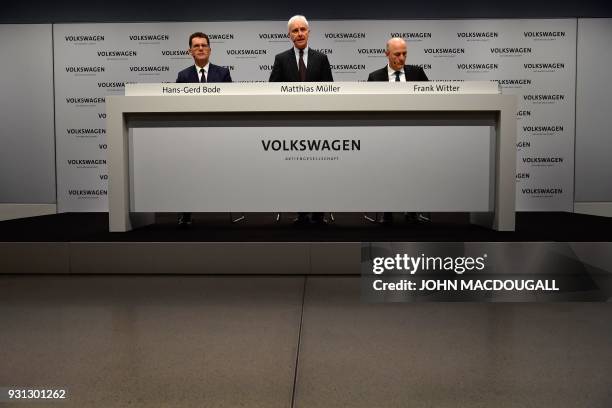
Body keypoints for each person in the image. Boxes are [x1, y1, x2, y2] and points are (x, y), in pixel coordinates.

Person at [269, 15, 333, 225]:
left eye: (302, 30)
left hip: (318, 126)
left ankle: (319, 213)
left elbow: (330, 90)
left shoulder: (321, 59)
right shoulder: (281, 59)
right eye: (295, 31)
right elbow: (272, 91)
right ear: (289, 35)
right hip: (291, 126)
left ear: (309, 32)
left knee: (320, 172)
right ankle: (302, 213)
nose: (299, 34)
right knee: (297, 172)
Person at [367, 37, 430, 225]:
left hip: (414, 133)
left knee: (414, 171)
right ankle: (387, 211)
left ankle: (412, 210)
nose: (402, 58)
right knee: (386, 172)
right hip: (384, 136)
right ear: (386, 54)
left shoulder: (417, 73)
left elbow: (432, 100)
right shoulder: (375, 77)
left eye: (404, 54)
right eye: (397, 54)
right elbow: (368, 108)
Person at [175, 32, 232, 226]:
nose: (200, 48)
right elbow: (177, 107)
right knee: (186, 174)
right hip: (190, 134)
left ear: (210, 49)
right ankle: (186, 212)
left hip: (218, 133)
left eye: (204, 45)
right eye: (196, 46)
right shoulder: (183, 76)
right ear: (189, 51)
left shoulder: (223, 74)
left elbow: (230, 104)